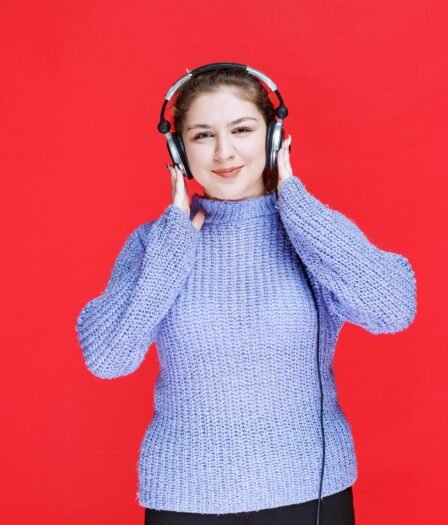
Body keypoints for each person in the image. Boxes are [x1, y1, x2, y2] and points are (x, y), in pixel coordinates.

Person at [75, 66, 417, 525]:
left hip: (310, 492)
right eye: (201, 135)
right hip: (185, 496)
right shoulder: (153, 245)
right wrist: (173, 247)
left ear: (274, 137)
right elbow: (108, 359)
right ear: (178, 152)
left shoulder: (312, 233)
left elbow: (393, 309)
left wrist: (295, 203)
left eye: (241, 129)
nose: (224, 152)